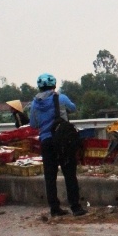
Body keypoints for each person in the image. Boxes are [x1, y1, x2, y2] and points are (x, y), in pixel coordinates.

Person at [30, 73, 85, 218]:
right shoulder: (60, 97)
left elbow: (33, 124)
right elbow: (73, 108)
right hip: (62, 141)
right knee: (69, 174)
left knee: (50, 176)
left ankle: (54, 208)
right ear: (54, 85)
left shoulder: (35, 103)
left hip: (46, 142)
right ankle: (76, 207)